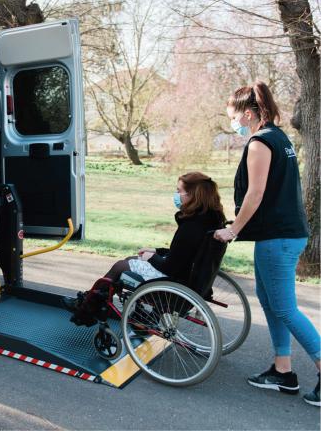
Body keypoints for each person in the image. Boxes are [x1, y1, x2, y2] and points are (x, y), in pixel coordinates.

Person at [213, 81, 320, 407]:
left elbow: (255, 194)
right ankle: (282, 371)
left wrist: (233, 229)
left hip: (279, 237)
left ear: (248, 113)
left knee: (284, 307)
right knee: (270, 300)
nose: (232, 121)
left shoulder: (260, 143)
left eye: (233, 115)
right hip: (283, 233)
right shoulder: (279, 136)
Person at [63, 171, 226, 323]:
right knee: (130, 260)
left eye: (179, 191)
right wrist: (156, 251)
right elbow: (186, 253)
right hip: (190, 278)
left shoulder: (191, 227)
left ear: (192, 195)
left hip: (176, 282)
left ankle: (86, 307)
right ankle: (106, 304)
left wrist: (152, 258)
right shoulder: (209, 220)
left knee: (120, 266)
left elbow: (171, 267)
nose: (176, 196)